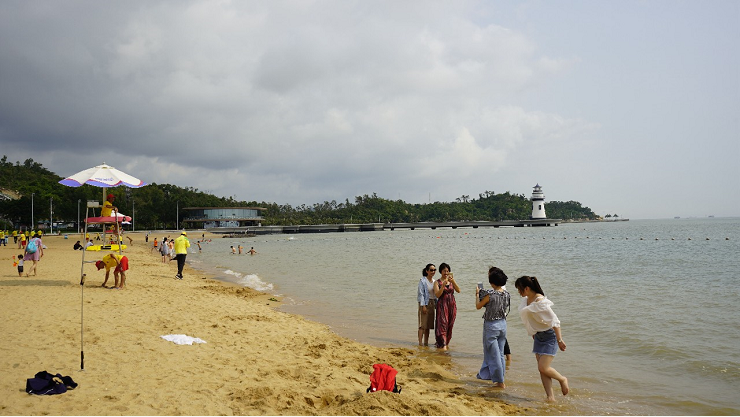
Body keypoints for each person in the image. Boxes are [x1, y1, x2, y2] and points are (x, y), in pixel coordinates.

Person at [514, 275, 569, 401]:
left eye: (519, 289)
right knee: (542, 370)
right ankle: (550, 397)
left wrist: (559, 340)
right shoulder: (526, 300)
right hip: (538, 336)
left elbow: (555, 321)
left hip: (550, 336)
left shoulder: (540, 301)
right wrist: (533, 332)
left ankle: (562, 379)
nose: (518, 292)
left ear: (527, 288)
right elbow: (529, 318)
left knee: (543, 367)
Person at [475, 267, 511, 388]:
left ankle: (499, 382)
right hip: (503, 325)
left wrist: (477, 294)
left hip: (491, 326)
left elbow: (478, 306)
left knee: (493, 354)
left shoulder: (489, 295)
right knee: (500, 354)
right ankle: (501, 378)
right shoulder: (507, 294)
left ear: (492, 282)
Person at [434, 262, 460, 350]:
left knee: (450, 324)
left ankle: (446, 343)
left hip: (452, 305)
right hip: (442, 305)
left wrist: (453, 281)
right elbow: (437, 295)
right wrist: (443, 286)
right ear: (441, 271)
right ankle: (443, 345)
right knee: (442, 324)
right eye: (444, 271)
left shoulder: (451, 281)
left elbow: (458, 290)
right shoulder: (437, 282)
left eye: (447, 271)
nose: (446, 273)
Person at [417, 264, 437, 346]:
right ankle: (420, 343)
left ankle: (426, 343)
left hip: (432, 303)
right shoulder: (422, 281)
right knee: (422, 324)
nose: (433, 271)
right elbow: (421, 294)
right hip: (424, 303)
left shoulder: (435, 282)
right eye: (431, 270)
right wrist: (423, 306)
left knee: (428, 325)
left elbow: (436, 294)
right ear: (427, 271)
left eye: (434, 270)